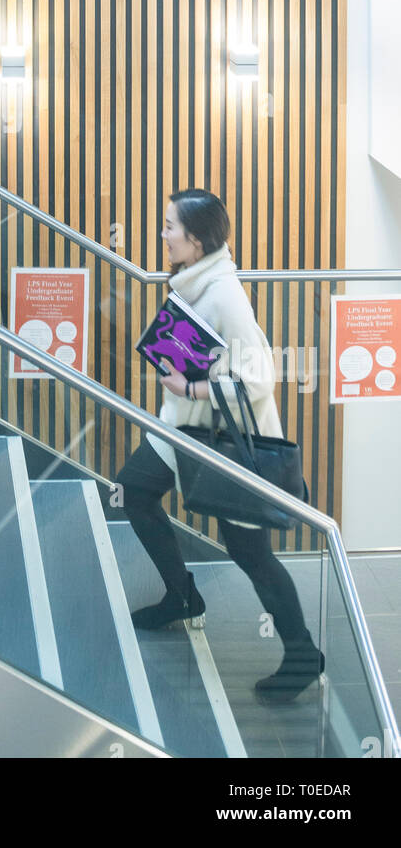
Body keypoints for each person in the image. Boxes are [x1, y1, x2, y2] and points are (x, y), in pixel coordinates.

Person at [116, 189, 324, 704]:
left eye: (169, 228)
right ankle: (182, 596)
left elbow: (260, 377)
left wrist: (188, 387)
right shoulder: (195, 277)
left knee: (249, 552)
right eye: (163, 225)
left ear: (197, 238)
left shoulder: (224, 292)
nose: (162, 235)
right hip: (184, 429)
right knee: (133, 491)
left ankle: (302, 654)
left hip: (229, 441)